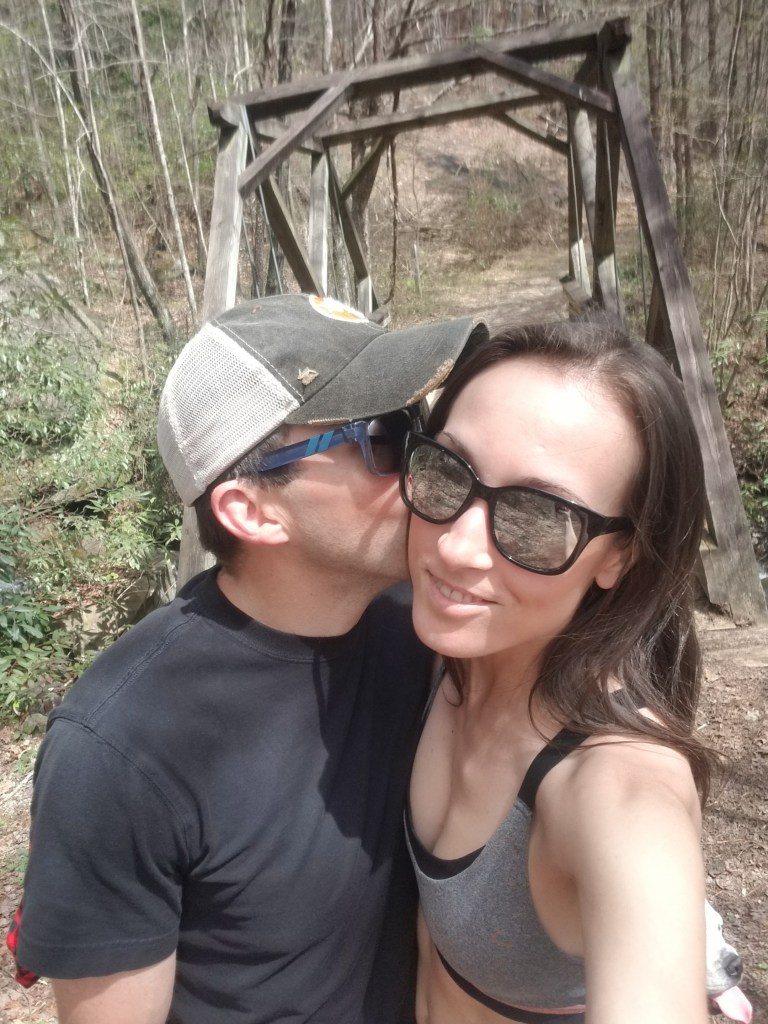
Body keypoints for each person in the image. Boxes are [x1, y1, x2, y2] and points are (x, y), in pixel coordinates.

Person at [12, 293, 488, 1024]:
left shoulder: (427, 631)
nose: (423, 464)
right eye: (386, 436)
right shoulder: (122, 747)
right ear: (251, 510)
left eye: (418, 424)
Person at [399, 318, 718, 1024]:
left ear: (619, 556)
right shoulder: (445, 645)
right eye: (448, 471)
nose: (456, 548)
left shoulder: (616, 788)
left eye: (538, 517)